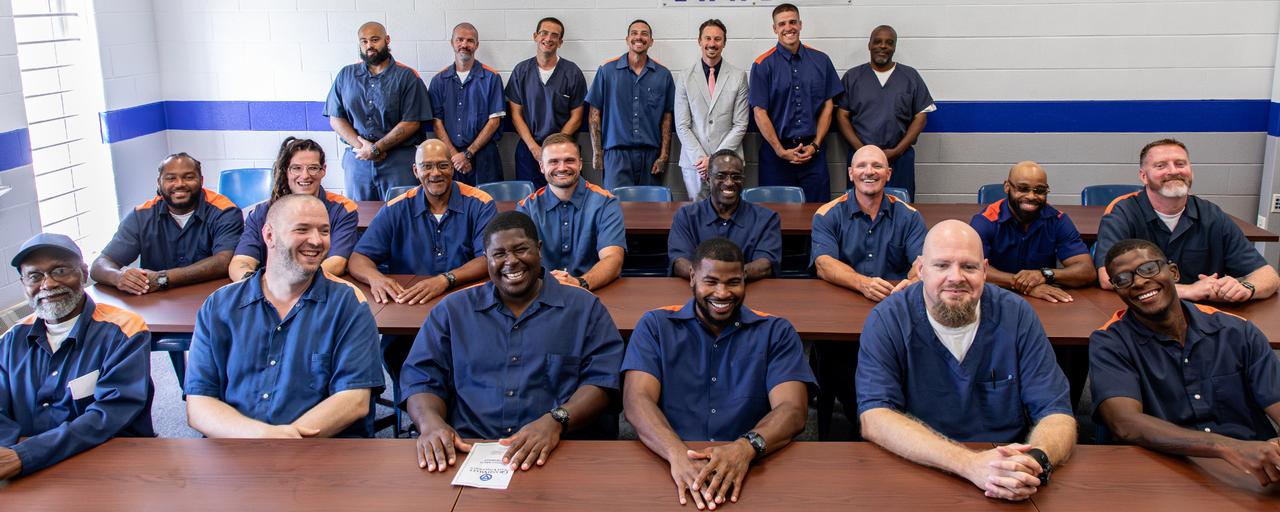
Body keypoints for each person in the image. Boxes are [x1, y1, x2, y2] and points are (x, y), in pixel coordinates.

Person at [858, 220, 1076, 502]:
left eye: (969, 267)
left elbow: (1057, 413)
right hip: (919, 466)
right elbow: (874, 417)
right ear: (920, 269)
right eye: (942, 265)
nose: (956, 277)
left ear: (985, 271)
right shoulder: (889, 319)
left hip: (1006, 472)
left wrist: (1034, 460)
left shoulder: (1016, 315)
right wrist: (969, 464)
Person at [402, 211, 624, 473]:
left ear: (538, 250)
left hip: (559, 450)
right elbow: (420, 376)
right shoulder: (452, 310)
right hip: (468, 450)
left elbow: (603, 381)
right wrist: (430, 423)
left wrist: (556, 420)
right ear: (486, 259)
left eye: (521, 250)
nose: (511, 262)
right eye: (499, 255)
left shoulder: (584, 308)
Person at [623, 237, 815, 509]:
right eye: (711, 282)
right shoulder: (655, 326)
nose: (723, 293)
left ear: (744, 279)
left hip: (753, 464)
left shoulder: (776, 331)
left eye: (733, 282)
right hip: (667, 461)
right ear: (692, 277)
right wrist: (676, 452)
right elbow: (636, 400)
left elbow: (793, 410)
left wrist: (745, 448)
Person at [186, 194, 383, 438]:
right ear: (269, 235)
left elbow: (354, 400)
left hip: (320, 454)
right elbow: (200, 403)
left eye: (324, 231)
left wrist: (283, 441)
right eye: (302, 229)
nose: (316, 241)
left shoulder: (348, 305)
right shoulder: (219, 306)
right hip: (237, 449)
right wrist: (262, 437)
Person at [1091, 238, 1280, 487]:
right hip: (1170, 473)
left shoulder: (1236, 331)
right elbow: (1125, 423)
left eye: (1148, 269)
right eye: (1123, 279)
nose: (1138, 282)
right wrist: (1227, 447)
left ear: (1173, 272)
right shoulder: (1110, 342)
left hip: (1255, 472)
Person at [1, 233, 153, 480]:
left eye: (60, 271)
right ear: (23, 284)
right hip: (29, 473)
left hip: (107, 466)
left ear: (83, 273)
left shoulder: (125, 331)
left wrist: (27, 454)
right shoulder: (10, 340)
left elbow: (109, 415)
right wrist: (9, 454)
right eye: (34, 276)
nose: (48, 284)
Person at [1094, 138, 1279, 302]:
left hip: (1206, 319)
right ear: (1144, 176)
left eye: (1180, 164)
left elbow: (1268, 275)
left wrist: (1246, 289)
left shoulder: (1212, 215)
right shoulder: (1123, 213)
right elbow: (1107, 277)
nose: (1173, 171)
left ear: (1191, 171)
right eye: (1161, 166)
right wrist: (1187, 290)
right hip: (1143, 314)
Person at [348, 139, 495, 306]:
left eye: (443, 165)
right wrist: (375, 278)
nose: (435, 173)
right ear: (415, 171)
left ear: (452, 168)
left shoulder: (480, 204)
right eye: (426, 166)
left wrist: (445, 280)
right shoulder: (395, 208)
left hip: (464, 300)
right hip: (408, 302)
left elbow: (488, 259)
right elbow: (359, 257)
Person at [92, 152, 243, 295]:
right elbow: (101, 264)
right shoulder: (141, 215)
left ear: (201, 181)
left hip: (212, 300)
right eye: (171, 178)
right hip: (156, 303)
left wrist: (162, 279)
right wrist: (119, 277)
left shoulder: (225, 211)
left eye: (189, 177)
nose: (180, 184)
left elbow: (224, 262)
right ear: (159, 183)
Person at [325, 21, 433, 201]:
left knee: (402, 215)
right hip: (358, 161)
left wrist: (377, 148)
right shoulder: (346, 75)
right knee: (359, 218)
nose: (369, 46)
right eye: (364, 41)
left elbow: (412, 122)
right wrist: (363, 147)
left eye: (375, 40)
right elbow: (335, 118)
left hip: (398, 161)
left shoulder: (407, 76)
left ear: (387, 40)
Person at [228, 137, 359, 282]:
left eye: (313, 168)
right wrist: (261, 286)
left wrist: (290, 284)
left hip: (318, 288)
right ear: (286, 171)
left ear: (323, 171)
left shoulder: (343, 210)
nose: (305, 175)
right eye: (296, 168)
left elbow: (336, 263)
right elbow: (240, 263)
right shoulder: (263, 212)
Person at [748, 3, 842, 203]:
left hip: (813, 155)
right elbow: (759, 112)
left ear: (800, 25)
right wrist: (780, 151)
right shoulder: (762, 65)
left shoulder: (821, 60)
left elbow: (828, 106)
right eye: (782, 24)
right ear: (775, 29)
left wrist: (815, 145)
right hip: (776, 155)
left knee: (818, 215)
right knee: (774, 218)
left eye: (792, 22)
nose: (788, 27)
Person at [969, 161, 1095, 302]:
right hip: (994, 298)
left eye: (1039, 190)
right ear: (1007, 187)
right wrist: (1025, 285)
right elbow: (972, 268)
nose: (1031, 196)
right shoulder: (985, 221)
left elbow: (1087, 271)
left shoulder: (1058, 220)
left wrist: (1044, 274)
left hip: (1043, 303)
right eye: (1023, 189)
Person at [812, 145, 925, 302]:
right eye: (861, 166)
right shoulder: (827, 214)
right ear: (851, 174)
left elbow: (922, 265)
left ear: (888, 174)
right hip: (844, 298)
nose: (869, 171)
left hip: (895, 299)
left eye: (877, 166)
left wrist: (911, 284)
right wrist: (862, 283)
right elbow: (823, 264)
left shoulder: (910, 217)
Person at [515, 133, 626, 291]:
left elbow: (613, 259)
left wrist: (580, 283)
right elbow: (521, 262)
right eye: (553, 161)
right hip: (541, 292)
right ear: (542, 167)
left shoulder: (606, 203)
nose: (562, 167)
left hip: (592, 291)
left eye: (569, 160)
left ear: (580, 164)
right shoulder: (527, 208)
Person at [834, 25, 935, 198]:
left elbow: (921, 116)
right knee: (859, 205)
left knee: (901, 207)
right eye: (878, 41)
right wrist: (863, 151)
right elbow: (841, 115)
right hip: (861, 158)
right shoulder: (853, 77)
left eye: (889, 43)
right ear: (869, 45)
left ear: (894, 47)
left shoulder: (910, 76)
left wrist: (897, 150)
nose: (883, 46)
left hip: (899, 158)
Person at [587, 19, 675, 190]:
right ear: (627, 39)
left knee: (649, 211)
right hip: (615, 155)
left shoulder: (663, 75)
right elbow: (594, 114)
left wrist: (664, 156)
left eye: (644, 34)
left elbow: (667, 119)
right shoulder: (607, 71)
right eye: (634, 33)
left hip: (650, 156)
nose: (639, 37)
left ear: (651, 41)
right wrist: (597, 153)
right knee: (616, 209)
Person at [668, 150, 780, 281]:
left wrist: (721, 277)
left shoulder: (766, 218)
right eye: (721, 176)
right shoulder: (685, 216)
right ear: (708, 179)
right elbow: (679, 262)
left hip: (750, 292)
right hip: (697, 293)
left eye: (736, 176)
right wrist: (717, 278)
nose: (729, 182)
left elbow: (766, 264)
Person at [506, 17, 588, 190]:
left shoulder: (572, 72)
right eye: (544, 33)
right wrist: (534, 148)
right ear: (535, 36)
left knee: (565, 195)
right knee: (531, 199)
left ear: (560, 42)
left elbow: (577, 117)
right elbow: (515, 114)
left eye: (554, 35)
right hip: (529, 149)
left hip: (563, 150)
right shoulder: (521, 71)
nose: (548, 38)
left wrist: (555, 145)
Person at [673, 18, 748, 201]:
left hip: (729, 161)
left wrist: (715, 160)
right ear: (700, 41)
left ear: (724, 42)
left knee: (728, 212)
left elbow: (740, 124)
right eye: (707, 38)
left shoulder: (738, 77)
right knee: (698, 214)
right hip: (695, 164)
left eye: (717, 39)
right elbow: (682, 125)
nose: (712, 44)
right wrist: (702, 161)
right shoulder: (684, 77)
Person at [430, 23, 506, 186]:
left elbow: (494, 122)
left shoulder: (491, 78)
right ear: (452, 43)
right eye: (460, 40)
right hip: (451, 157)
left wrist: (468, 154)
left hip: (485, 157)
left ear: (476, 45)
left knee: (489, 205)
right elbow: (437, 122)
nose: (464, 44)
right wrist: (455, 155)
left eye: (470, 40)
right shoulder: (439, 80)